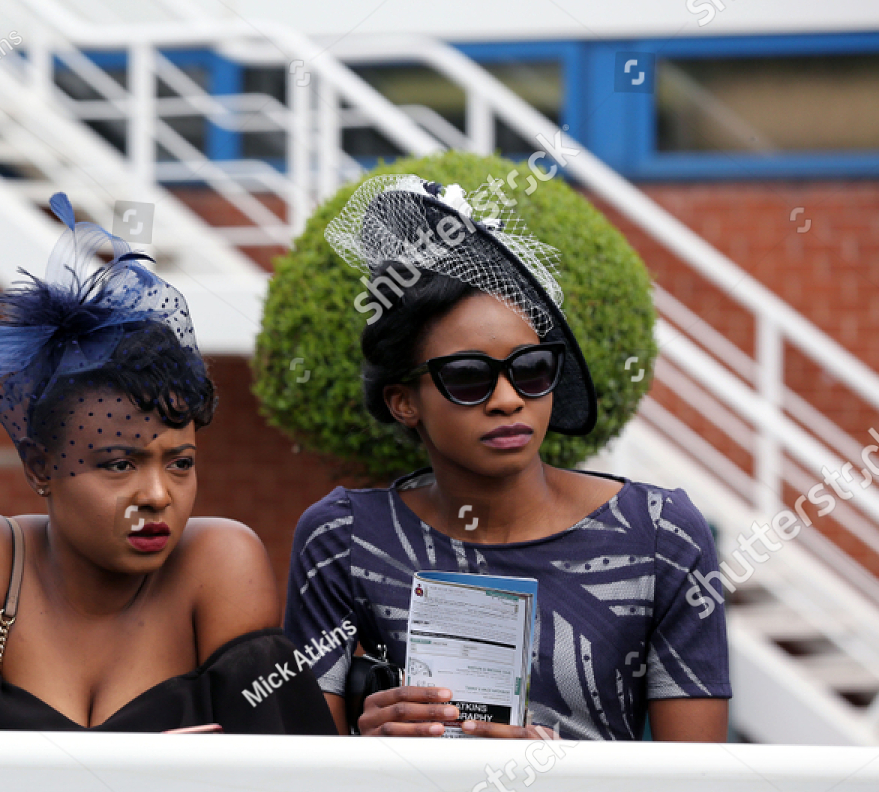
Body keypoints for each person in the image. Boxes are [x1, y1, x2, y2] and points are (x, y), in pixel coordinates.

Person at [0, 194, 333, 734]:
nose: (157, 495)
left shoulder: (218, 568)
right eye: (120, 465)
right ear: (39, 467)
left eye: (180, 463)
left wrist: (0, 758)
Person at [285, 176, 730, 741]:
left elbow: (697, 788)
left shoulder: (660, 536)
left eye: (532, 370)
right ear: (403, 402)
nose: (508, 399)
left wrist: (552, 761)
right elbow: (306, 782)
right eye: (469, 377)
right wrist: (364, 741)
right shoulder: (343, 540)